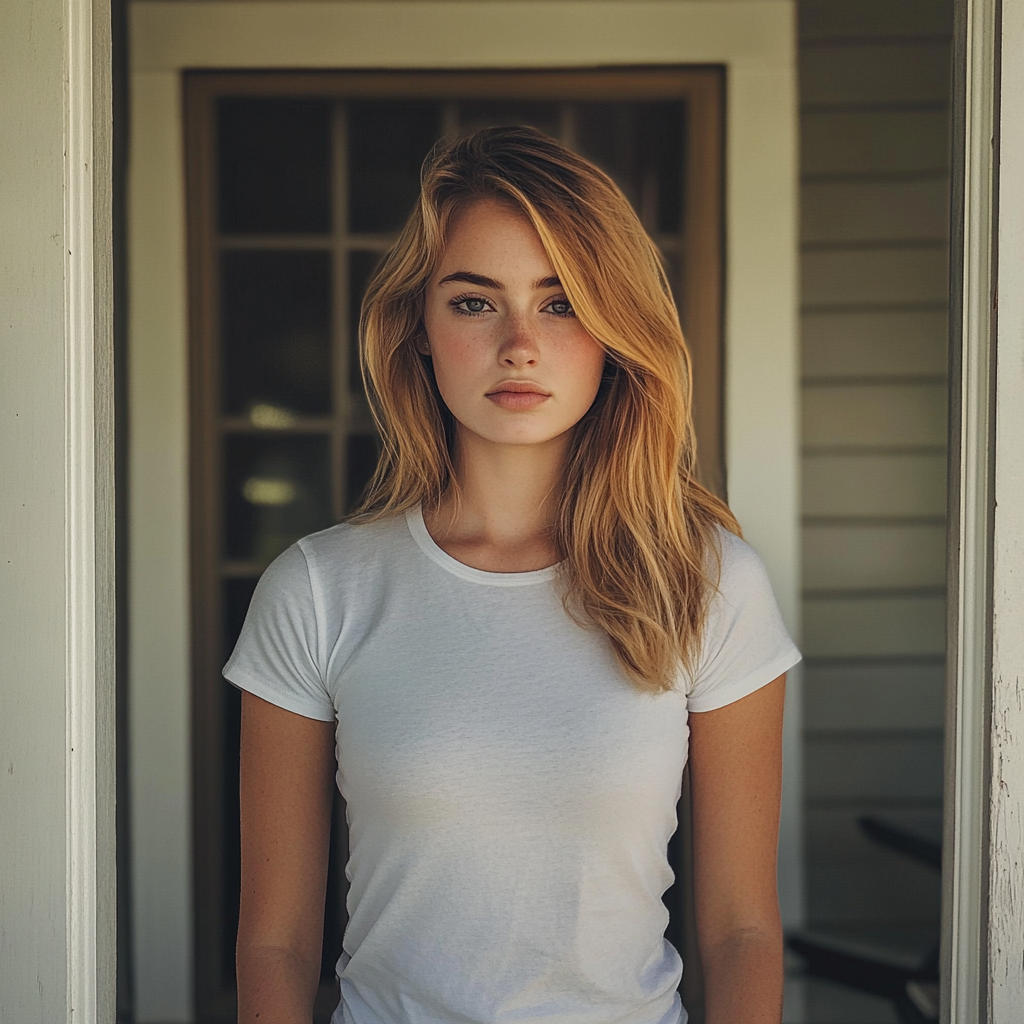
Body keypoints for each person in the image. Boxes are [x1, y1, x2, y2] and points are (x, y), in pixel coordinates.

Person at [224, 125, 801, 1024]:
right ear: (418, 328)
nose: (521, 344)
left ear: (615, 332)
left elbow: (739, 933)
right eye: (474, 302)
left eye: (562, 302)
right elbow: (275, 944)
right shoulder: (317, 591)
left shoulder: (709, 582)